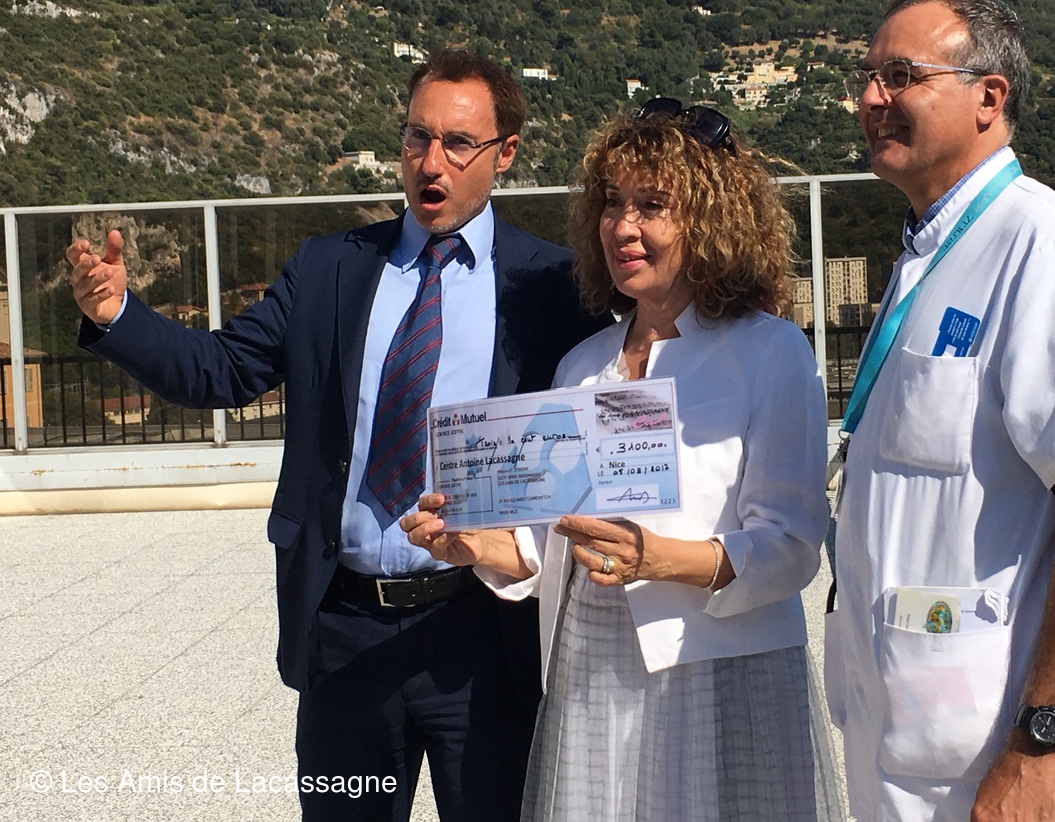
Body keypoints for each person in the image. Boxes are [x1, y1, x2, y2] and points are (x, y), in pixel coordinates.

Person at [64, 49, 609, 822]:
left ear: (506, 153)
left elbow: (597, 427)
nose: (431, 162)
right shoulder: (329, 270)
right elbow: (220, 370)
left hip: (486, 635)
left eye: (458, 143)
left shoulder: (552, 287)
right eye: (417, 137)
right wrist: (117, 315)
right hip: (345, 632)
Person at [403, 98, 844, 822]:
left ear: (710, 220)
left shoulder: (770, 353)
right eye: (612, 202)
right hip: (592, 671)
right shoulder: (582, 365)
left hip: (717, 671)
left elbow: (793, 546)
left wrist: (661, 559)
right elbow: (550, 542)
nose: (623, 226)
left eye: (652, 205)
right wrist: (476, 546)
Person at [824, 0, 1055, 822]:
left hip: (1001, 766)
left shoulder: (1044, 244)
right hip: (911, 741)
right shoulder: (929, 255)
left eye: (902, 75)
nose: (872, 98)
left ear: (988, 98)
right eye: (868, 78)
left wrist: (1041, 746)